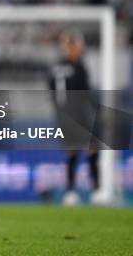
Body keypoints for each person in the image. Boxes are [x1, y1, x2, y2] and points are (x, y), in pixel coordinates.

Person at [48, 29, 100, 206]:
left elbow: (51, 92)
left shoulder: (55, 67)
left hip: (63, 116)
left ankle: (70, 193)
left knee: (72, 152)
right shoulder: (79, 67)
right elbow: (85, 94)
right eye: (77, 46)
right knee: (92, 149)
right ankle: (96, 191)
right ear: (71, 47)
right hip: (78, 114)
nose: (79, 49)